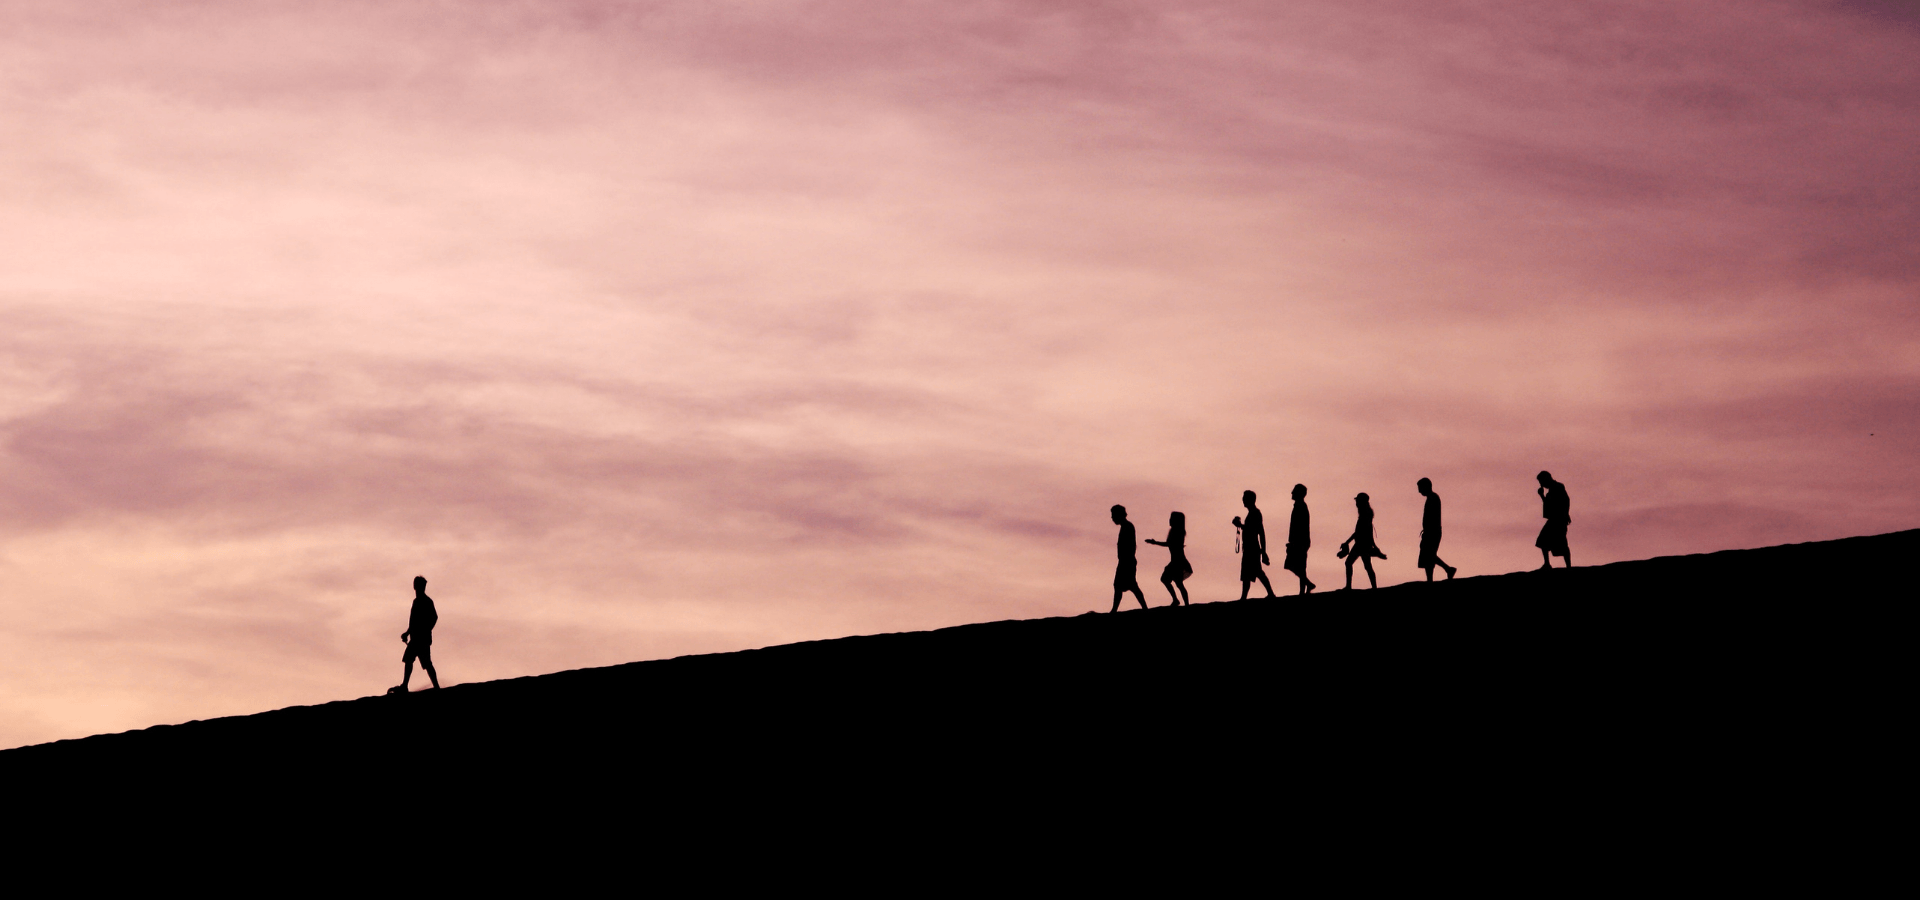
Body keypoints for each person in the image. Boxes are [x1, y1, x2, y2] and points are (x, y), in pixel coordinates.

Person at [397, 575, 441, 693]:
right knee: (409, 660)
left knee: (425, 663)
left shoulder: (426, 601)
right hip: (416, 638)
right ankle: (405, 685)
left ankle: (436, 687)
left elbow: (434, 617)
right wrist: (407, 633)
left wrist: (426, 630)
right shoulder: (416, 601)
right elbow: (413, 622)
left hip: (421, 639)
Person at [1232, 490, 1277, 600]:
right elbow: (1257, 531)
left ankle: (1269, 594)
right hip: (1250, 548)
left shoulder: (1255, 513)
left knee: (1254, 572)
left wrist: (1240, 525)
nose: (1243, 499)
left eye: (1244, 497)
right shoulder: (1253, 513)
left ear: (1250, 499)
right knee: (1250, 573)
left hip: (1252, 548)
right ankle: (1245, 597)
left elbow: (1258, 531)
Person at [1340, 492, 1387, 590]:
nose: (1356, 503)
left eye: (1357, 500)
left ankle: (1349, 586)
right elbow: (1366, 532)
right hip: (1364, 544)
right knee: (1367, 566)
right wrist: (1374, 546)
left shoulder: (1364, 515)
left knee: (1350, 563)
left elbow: (1359, 532)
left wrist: (1347, 542)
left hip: (1361, 544)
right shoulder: (1366, 514)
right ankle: (1374, 587)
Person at [1144, 511, 1192, 607]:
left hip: (1178, 562)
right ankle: (1178, 601)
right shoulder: (1175, 531)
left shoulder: (1178, 532)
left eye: (1171, 518)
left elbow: (1169, 544)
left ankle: (1183, 603)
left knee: (1176, 583)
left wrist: (1155, 542)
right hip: (1176, 561)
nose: (1169, 520)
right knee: (1171, 581)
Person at [1416, 478, 1457, 582]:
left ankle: (1448, 569)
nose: (1419, 491)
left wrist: (1428, 532)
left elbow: (1432, 518)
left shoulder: (1433, 498)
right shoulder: (1432, 498)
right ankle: (1432, 578)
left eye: (1420, 488)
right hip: (1431, 531)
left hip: (1432, 532)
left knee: (1429, 555)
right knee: (1428, 557)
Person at [1110, 505, 1148, 612]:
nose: (1112, 518)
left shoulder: (1128, 526)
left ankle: (1114, 610)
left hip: (1127, 561)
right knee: (1125, 585)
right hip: (1125, 561)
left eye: (1113, 515)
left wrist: (1127, 560)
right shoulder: (1126, 526)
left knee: (1128, 585)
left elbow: (1131, 545)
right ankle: (1115, 609)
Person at [1535, 471, 1572, 570]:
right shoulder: (1550, 491)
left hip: (1559, 519)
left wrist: (1565, 514)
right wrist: (1542, 496)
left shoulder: (1558, 487)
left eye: (1541, 481)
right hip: (1553, 519)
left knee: (1562, 543)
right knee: (1543, 540)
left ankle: (1568, 566)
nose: (1541, 484)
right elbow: (1548, 504)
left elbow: (1565, 501)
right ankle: (1547, 564)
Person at [1284, 484, 1314, 594]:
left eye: (1294, 491)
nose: (1292, 492)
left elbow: (1300, 527)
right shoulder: (1299, 506)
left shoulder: (1300, 506)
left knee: (1294, 565)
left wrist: (1294, 542)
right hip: (1300, 541)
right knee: (1298, 566)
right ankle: (1305, 587)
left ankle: (1305, 587)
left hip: (1300, 541)